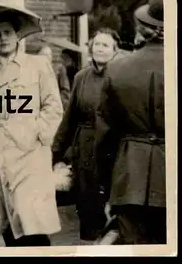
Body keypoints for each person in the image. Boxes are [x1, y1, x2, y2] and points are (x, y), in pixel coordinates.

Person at [0, 10, 63, 247]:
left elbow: (53, 105)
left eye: (8, 32)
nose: (3, 38)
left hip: (30, 152)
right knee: (8, 217)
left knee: (32, 218)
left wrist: (38, 133)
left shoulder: (38, 65)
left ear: (17, 35)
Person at [95, 0, 166, 245]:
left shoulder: (117, 69)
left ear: (146, 27)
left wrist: (107, 189)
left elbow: (104, 138)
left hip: (129, 184)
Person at [51, 27, 123, 242]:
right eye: (97, 44)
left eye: (106, 45)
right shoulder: (82, 77)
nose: (100, 49)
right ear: (91, 48)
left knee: (112, 216)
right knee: (88, 213)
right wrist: (55, 153)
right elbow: (69, 118)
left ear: (115, 50)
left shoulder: (121, 76)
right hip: (85, 153)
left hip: (112, 153)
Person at [38, 46, 71, 110]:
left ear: (51, 57)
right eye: (43, 55)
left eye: (49, 54)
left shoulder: (59, 69)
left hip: (54, 107)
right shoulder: (36, 72)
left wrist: (55, 102)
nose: (46, 57)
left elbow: (65, 91)